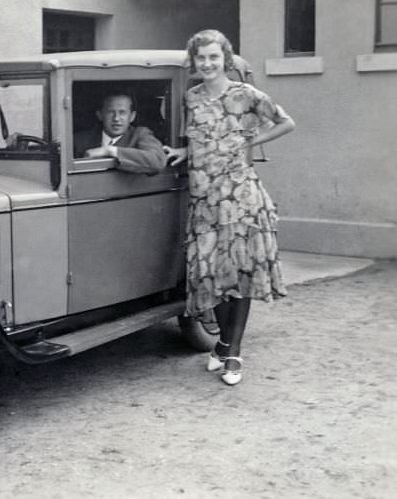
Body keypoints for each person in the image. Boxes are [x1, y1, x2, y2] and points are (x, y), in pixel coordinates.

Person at [164, 29, 296, 385]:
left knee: (240, 275)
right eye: (201, 58)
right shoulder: (190, 98)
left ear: (226, 59)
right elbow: (204, 140)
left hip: (241, 199)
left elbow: (286, 122)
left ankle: (233, 353)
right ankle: (223, 343)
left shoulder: (244, 94)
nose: (207, 64)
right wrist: (184, 152)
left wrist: (254, 138)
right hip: (205, 200)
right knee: (212, 277)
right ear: (194, 61)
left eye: (213, 57)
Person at [73, 93, 166, 174]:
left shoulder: (140, 134)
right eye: (110, 112)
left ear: (132, 116)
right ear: (100, 115)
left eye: (122, 113)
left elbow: (158, 161)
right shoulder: (79, 140)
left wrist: (110, 150)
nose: (116, 118)